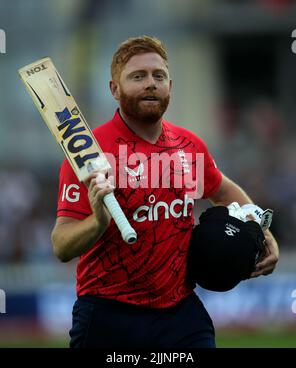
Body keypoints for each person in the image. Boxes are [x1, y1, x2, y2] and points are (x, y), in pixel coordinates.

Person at [51, 36, 279, 348]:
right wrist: (98, 222)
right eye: (138, 76)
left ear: (170, 86)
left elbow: (224, 192)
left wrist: (263, 233)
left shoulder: (189, 146)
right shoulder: (90, 154)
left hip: (180, 313)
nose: (150, 84)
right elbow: (62, 245)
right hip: (107, 314)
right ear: (114, 89)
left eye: (158, 76)